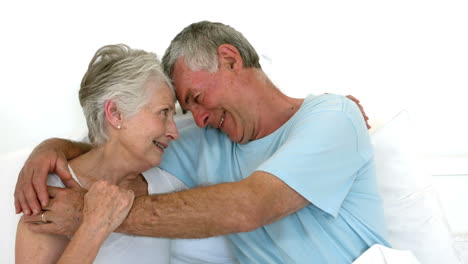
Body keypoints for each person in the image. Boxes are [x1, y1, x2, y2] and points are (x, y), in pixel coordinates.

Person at [15, 21, 389, 263]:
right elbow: (115, 141)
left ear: (228, 59)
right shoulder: (205, 136)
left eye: (194, 98)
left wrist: (90, 216)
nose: (193, 119)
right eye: (174, 111)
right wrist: (49, 149)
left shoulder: (332, 118)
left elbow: (250, 207)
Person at [15, 44, 238, 264]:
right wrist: (94, 225)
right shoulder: (48, 194)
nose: (174, 132)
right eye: (163, 113)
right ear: (115, 113)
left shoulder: (167, 177)